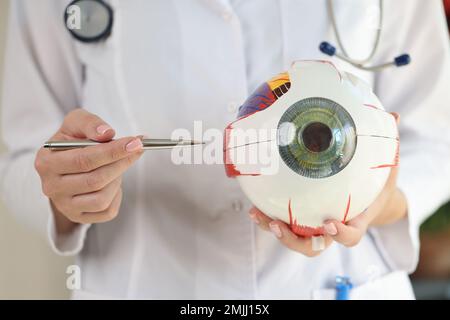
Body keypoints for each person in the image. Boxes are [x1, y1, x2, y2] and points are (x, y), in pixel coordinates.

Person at [1, 0, 449, 299]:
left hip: (335, 281)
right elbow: (23, 150)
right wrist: (69, 186)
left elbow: (436, 133)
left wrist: (379, 200)